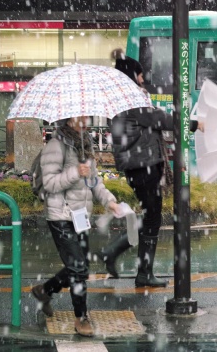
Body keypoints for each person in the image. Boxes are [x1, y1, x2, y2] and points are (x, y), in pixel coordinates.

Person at [99, 49, 201, 288]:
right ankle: (133, 265)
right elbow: (160, 119)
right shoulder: (131, 99)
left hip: (138, 165)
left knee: (151, 216)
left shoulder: (122, 98)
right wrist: (193, 123)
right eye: (141, 75)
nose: (143, 80)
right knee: (152, 217)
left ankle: (126, 259)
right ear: (132, 75)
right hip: (142, 164)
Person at [30, 116, 121, 337]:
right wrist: (74, 173)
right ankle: (81, 318)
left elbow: (94, 181)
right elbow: (50, 184)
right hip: (60, 214)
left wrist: (109, 200)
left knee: (79, 265)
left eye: (87, 116)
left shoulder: (84, 144)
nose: (85, 120)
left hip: (80, 214)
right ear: (68, 119)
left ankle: (45, 290)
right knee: (78, 267)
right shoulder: (55, 145)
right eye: (80, 116)